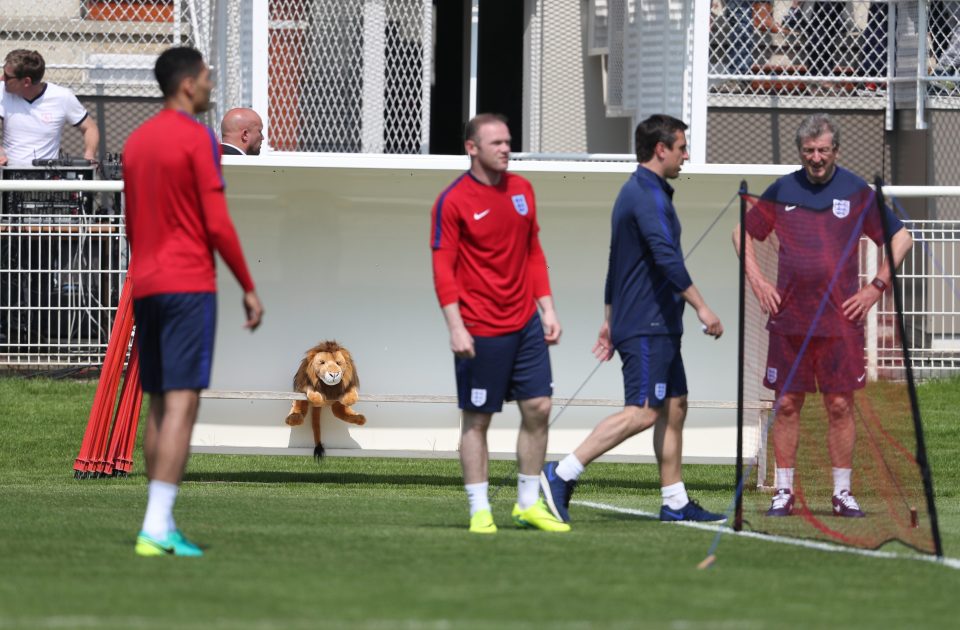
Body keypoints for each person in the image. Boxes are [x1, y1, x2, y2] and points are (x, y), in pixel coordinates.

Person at [540, 114, 727, 525]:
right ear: (661, 149)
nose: (686, 155)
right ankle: (561, 472)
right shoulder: (645, 195)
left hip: (651, 322)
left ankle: (675, 501)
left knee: (674, 406)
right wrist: (702, 306)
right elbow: (665, 258)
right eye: (681, 147)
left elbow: (616, 261)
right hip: (649, 323)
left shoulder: (642, 191)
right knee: (643, 410)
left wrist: (608, 319)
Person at [732, 113, 913, 518]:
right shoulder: (783, 189)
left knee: (839, 405)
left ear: (836, 150)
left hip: (840, 322)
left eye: (823, 150)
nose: (816, 158)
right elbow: (739, 233)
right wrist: (759, 282)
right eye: (809, 150)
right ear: (801, 152)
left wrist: (876, 287)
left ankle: (842, 493)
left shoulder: (856, 191)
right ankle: (783, 492)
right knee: (788, 404)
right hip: (789, 322)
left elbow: (902, 238)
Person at [123, 46, 265, 556]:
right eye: (206, 77)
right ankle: (156, 526)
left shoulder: (136, 141)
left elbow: (131, 221)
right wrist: (248, 285)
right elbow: (217, 220)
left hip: (148, 284)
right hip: (187, 285)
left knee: (160, 403)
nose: (210, 85)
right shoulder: (197, 139)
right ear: (187, 84)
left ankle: (156, 522)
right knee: (183, 402)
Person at [430, 113, 569, 534]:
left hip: (525, 321)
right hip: (479, 327)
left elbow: (532, 252)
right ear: (472, 148)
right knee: (477, 419)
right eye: (496, 143)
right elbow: (443, 267)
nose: (506, 149)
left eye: (509, 142)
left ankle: (528, 504)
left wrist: (547, 308)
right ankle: (479, 509)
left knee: (539, 408)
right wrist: (455, 325)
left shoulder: (522, 190)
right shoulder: (452, 200)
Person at [0, 49, 100, 166]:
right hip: (7, 177)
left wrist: (89, 155)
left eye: (7, 76)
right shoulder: (2, 91)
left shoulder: (62, 97)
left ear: (26, 82)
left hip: (47, 177)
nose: (2, 78)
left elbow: (90, 128)